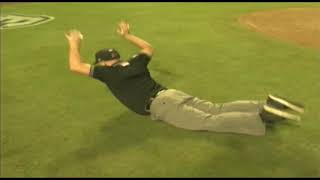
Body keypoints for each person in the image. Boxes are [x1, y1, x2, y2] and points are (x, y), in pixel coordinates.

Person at [65, 21, 304, 136]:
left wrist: (75, 43)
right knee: (217, 108)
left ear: (102, 63)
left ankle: (262, 117)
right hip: (171, 94)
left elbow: (75, 66)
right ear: (117, 58)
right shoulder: (134, 62)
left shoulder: (108, 73)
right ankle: (266, 104)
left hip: (161, 105)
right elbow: (148, 47)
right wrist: (127, 35)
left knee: (209, 120)